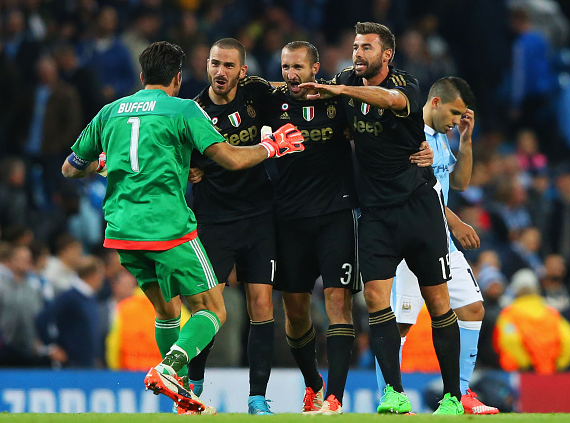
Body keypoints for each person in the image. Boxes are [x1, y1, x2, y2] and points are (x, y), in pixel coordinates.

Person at [61, 41, 305, 413]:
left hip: (122, 231)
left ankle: (181, 396)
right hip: (167, 227)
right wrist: (272, 147)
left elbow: (70, 168)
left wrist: (102, 164)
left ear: (142, 76)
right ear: (177, 78)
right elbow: (232, 159)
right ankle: (169, 368)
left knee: (167, 312)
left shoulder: (110, 111)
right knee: (213, 310)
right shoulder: (183, 109)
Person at [300, 22, 463, 415]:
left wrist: (341, 90)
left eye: (367, 47)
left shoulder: (408, 84)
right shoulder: (344, 80)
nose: (358, 53)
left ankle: (453, 397)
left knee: (438, 300)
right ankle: (393, 392)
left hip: (417, 207)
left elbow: (389, 101)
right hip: (374, 212)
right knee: (375, 299)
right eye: (355, 46)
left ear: (386, 54)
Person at [374, 77, 498, 414]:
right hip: (410, 238)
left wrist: (466, 140)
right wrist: (455, 221)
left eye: (462, 116)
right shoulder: (411, 136)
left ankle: (460, 393)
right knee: (399, 322)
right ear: (435, 103)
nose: (457, 120)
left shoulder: (443, 138)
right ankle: (390, 396)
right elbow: (417, 191)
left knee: (473, 308)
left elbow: (457, 182)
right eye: (455, 113)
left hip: (441, 242)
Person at [263, 41, 360, 415]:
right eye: (285, 67)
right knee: (297, 311)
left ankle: (334, 397)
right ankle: (312, 384)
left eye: (298, 67)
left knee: (339, 303)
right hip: (288, 218)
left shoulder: (337, 100)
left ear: (315, 67)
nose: (291, 75)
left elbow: (374, 127)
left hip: (336, 213)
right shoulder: (272, 100)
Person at [187, 38, 277, 415]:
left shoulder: (259, 93)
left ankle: (257, 397)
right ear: (206, 66)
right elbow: (181, 161)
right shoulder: (193, 111)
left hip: (259, 218)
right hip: (214, 221)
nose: (220, 72)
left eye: (228, 65)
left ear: (243, 70)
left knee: (262, 305)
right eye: (214, 64)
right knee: (208, 308)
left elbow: (289, 99)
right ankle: (192, 389)